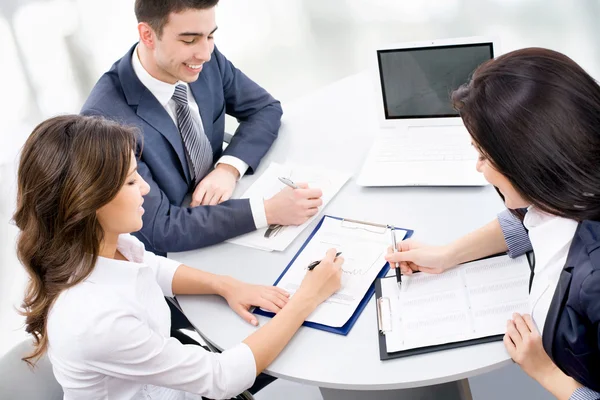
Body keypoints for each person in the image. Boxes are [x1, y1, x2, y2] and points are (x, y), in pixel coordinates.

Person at [14, 115, 343, 400]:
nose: (145, 188)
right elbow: (221, 378)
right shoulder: (95, 321)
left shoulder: (101, 243)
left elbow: (152, 267)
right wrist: (307, 297)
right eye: (130, 181)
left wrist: (225, 284)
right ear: (87, 203)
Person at [385, 48, 600, 400]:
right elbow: (530, 219)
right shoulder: (569, 181)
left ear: (532, 164)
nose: (479, 168)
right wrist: (448, 254)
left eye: (484, 156)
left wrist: (545, 371)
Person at [81, 0, 323, 256]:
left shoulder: (202, 60)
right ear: (147, 35)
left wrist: (228, 169)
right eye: (189, 40)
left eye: (210, 36)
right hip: (180, 255)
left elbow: (265, 109)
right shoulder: (103, 122)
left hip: (228, 209)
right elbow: (158, 228)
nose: (205, 53)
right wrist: (268, 211)